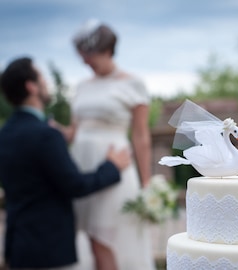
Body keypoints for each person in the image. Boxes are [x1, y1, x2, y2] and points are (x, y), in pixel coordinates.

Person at [0, 57, 131, 269]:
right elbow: (75, 185)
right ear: (31, 86)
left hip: (18, 247)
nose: (46, 82)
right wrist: (112, 167)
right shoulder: (46, 135)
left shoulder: (5, 134)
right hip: (48, 250)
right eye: (41, 77)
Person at [54, 20, 155, 270]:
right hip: (83, 166)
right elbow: (75, 132)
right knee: (88, 235)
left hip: (115, 166)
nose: (85, 61)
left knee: (105, 237)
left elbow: (140, 136)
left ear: (107, 50)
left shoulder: (133, 83)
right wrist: (53, 132)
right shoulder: (81, 86)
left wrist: (146, 182)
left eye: (89, 55)